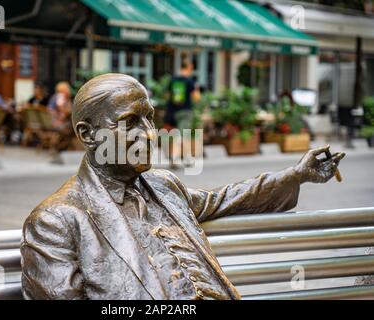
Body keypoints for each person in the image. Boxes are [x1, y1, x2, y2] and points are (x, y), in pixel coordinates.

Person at [21, 73, 345, 300]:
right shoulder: (57, 220)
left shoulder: (163, 185)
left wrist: (297, 174)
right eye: (131, 122)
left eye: (149, 118)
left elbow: (228, 199)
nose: (149, 134)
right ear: (88, 134)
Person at [164, 60, 201, 166]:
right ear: (189, 67)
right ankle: (178, 158)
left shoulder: (173, 80)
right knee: (183, 134)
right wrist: (197, 88)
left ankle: (186, 157)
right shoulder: (190, 81)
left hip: (173, 111)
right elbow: (196, 98)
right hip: (185, 111)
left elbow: (167, 96)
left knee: (178, 133)